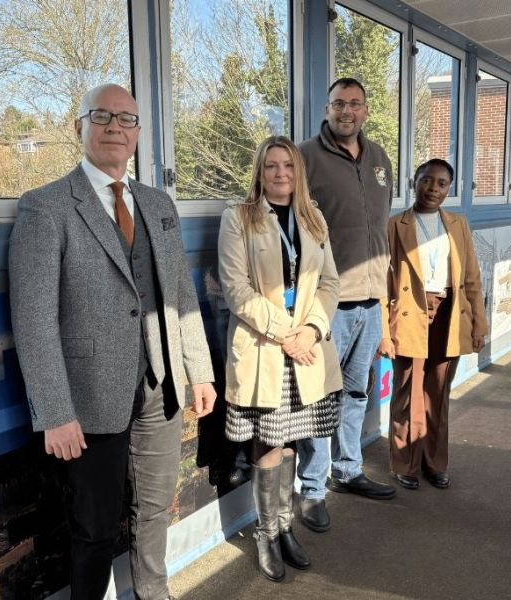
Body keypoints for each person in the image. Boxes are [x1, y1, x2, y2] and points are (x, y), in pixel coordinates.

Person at [9, 83, 216, 600]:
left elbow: (181, 293)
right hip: (88, 396)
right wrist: (55, 412)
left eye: (126, 120)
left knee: (153, 509)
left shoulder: (157, 203)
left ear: (140, 133)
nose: (114, 128)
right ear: (77, 125)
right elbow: (34, 320)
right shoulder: (45, 207)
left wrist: (200, 370)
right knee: (94, 528)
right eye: (101, 117)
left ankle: (153, 593)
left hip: (161, 386)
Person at [217, 136, 342, 582]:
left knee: (292, 440)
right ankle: (266, 534)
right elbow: (236, 289)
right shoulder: (239, 218)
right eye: (271, 166)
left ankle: (286, 526)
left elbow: (330, 284)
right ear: (259, 171)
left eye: (288, 166)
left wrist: (310, 331)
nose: (280, 173)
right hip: (265, 350)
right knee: (268, 443)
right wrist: (287, 333)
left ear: (298, 171)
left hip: (305, 351)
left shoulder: (313, 217)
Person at [297, 77, 396, 533]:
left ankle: (349, 470)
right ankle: (313, 490)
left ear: (366, 111)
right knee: (320, 398)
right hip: (327, 303)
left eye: (355, 104)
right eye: (339, 103)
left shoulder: (380, 160)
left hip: (372, 301)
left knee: (357, 392)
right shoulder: (303, 157)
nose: (346, 112)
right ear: (327, 106)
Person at [378, 159, 487, 490]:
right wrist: (384, 332)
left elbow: (471, 278)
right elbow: (383, 283)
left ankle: (434, 462)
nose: (433, 189)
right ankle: (404, 464)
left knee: (437, 394)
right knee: (407, 393)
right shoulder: (395, 225)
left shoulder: (458, 224)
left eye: (441, 184)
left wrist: (479, 325)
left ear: (448, 189)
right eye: (427, 181)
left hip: (449, 315)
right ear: (415, 182)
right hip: (410, 314)